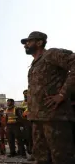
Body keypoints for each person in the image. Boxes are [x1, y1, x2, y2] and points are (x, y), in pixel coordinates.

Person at [21, 31, 75, 163]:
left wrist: (62, 94)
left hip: (55, 117)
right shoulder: (33, 65)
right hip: (37, 119)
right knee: (41, 158)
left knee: (62, 157)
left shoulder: (51, 54)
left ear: (39, 42)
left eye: (28, 42)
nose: (25, 45)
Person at [21, 90, 34, 161]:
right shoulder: (23, 103)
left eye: (26, 94)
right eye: (24, 94)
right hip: (26, 122)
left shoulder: (33, 100)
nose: (25, 95)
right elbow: (22, 112)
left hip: (33, 120)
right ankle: (31, 153)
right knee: (28, 137)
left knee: (34, 137)